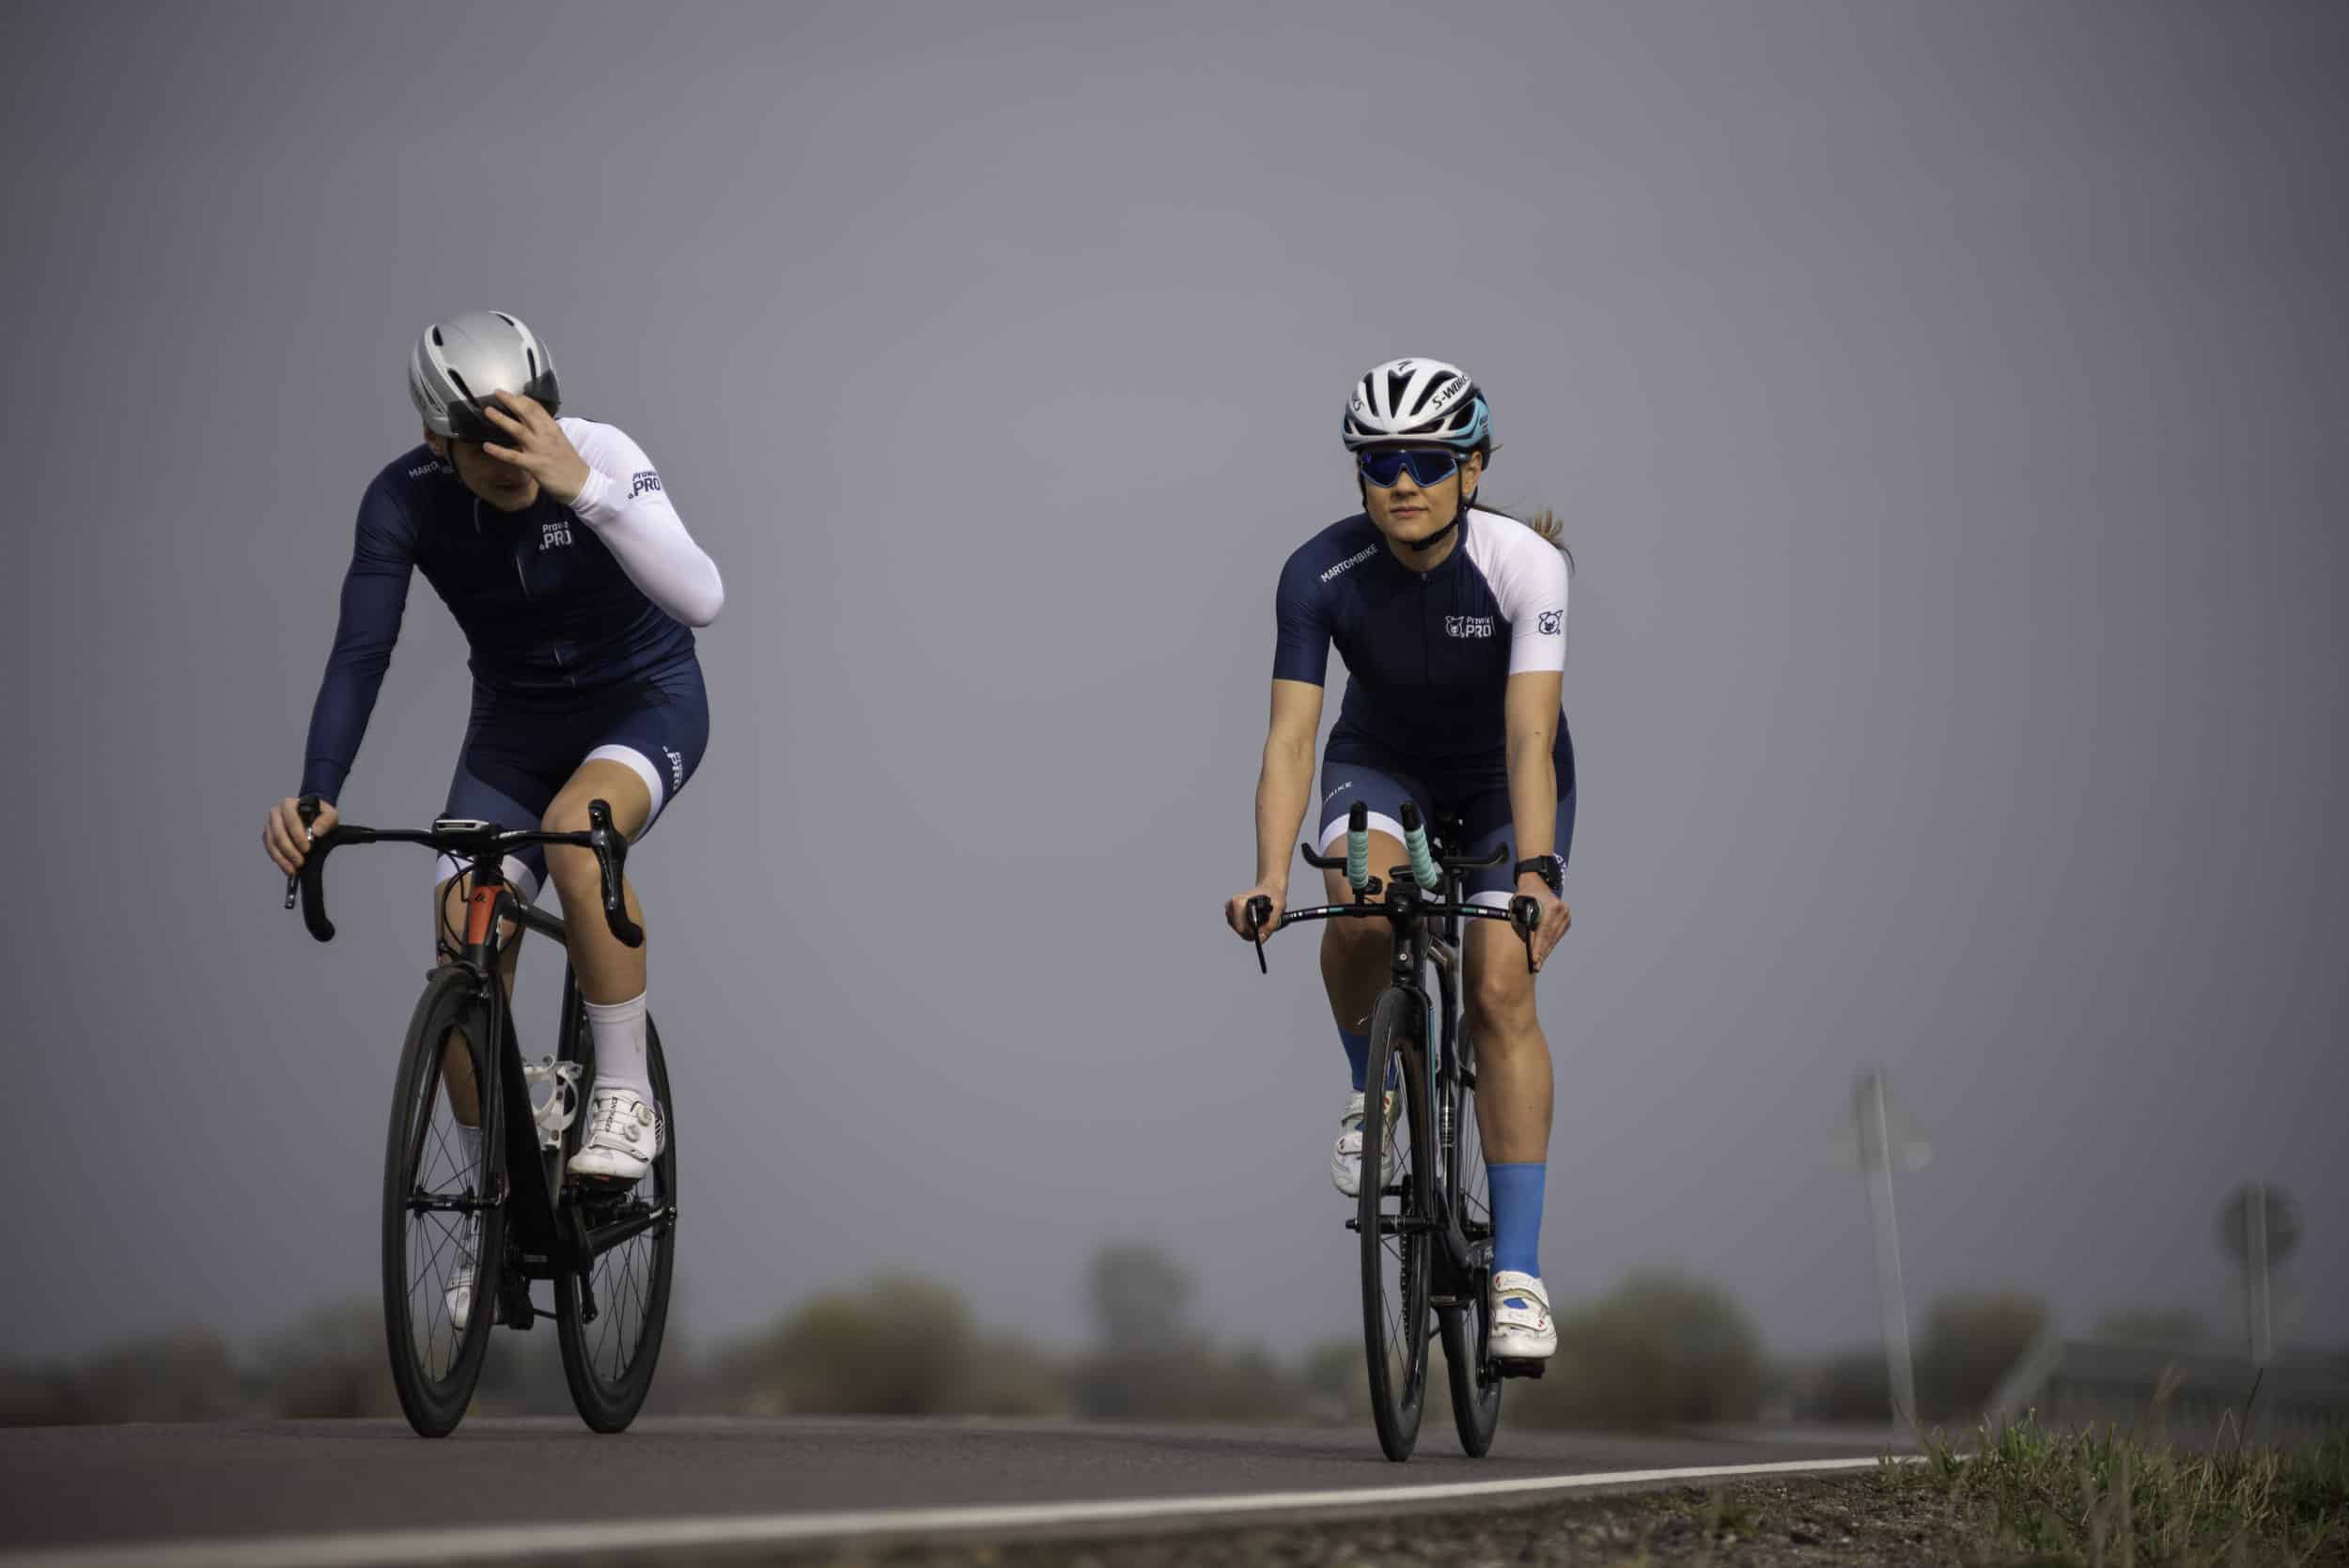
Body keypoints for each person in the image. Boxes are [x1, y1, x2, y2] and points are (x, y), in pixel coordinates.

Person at [260, 311, 723, 1327]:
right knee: (460, 935)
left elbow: (703, 596)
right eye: (487, 442)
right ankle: (496, 1206)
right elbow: (360, 653)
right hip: (512, 734)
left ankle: (624, 1094)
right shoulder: (401, 500)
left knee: (576, 834)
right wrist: (318, 788)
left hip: (643, 706)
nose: (515, 459)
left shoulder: (598, 452)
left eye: (528, 429)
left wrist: (584, 489)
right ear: (438, 440)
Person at [1222, 358, 1575, 1360]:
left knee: (1500, 988)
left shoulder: (1523, 564)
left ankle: (1517, 1278)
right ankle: (1369, 1092)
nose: (1403, 481)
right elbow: (1292, 739)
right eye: (1380, 462)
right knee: (1360, 906)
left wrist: (1537, 874)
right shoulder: (1317, 572)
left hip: (1501, 776)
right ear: (1359, 475)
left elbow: (1528, 736)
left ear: (1474, 468)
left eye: (1427, 459)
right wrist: (1268, 875)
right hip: (1379, 762)